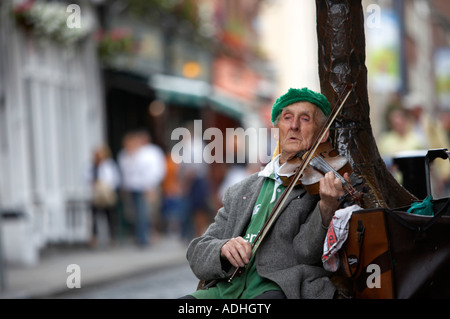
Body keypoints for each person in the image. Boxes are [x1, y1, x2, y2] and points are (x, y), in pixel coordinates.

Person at [182, 88, 348, 299]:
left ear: (322, 133)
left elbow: (306, 252)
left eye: (305, 119)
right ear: (277, 128)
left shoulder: (319, 188)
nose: (294, 126)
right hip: (226, 290)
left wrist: (326, 207)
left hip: (280, 289)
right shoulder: (241, 189)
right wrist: (223, 248)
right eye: (287, 118)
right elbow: (197, 250)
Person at [118, 130, 167, 247]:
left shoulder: (150, 152)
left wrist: (151, 185)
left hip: (145, 187)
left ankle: (145, 236)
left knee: (145, 212)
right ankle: (141, 235)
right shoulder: (127, 154)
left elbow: (154, 170)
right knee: (135, 213)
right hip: (132, 187)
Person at [86, 144, 121, 248]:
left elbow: (115, 179)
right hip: (96, 195)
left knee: (109, 216)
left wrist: (107, 187)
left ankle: (112, 237)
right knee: (94, 216)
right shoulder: (91, 166)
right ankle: (94, 237)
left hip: (106, 194)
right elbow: (86, 178)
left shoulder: (109, 165)